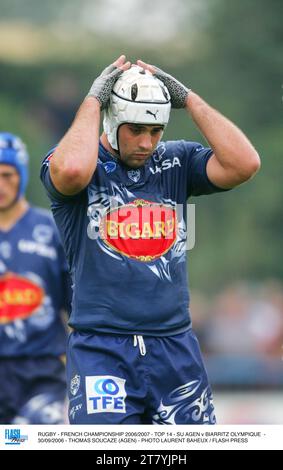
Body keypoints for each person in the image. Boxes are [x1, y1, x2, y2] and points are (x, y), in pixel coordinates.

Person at [40, 55, 260, 424]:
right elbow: (73, 170)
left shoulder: (176, 161)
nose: (146, 142)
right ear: (111, 121)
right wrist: (95, 100)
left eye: (155, 131)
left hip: (174, 348)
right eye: (136, 130)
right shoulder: (75, 163)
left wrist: (189, 99)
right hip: (101, 349)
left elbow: (245, 164)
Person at [0, 132, 70, 424]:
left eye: (7, 175)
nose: (0, 185)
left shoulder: (50, 230)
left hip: (42, 371)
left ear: (22, 176)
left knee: (31, 441)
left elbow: (76, 303)